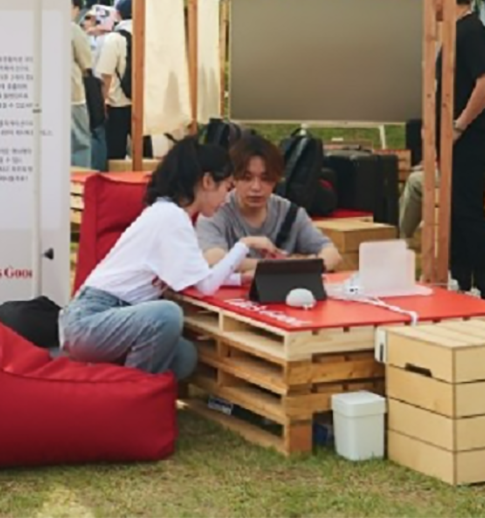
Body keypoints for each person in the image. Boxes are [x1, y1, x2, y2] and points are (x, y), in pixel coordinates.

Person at [58, 140, 278, 380]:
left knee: (183, 356)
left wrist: (240, 279)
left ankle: (106, 382)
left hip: (111, 317)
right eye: (226, 187)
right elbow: (206, 286)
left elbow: (197, 277)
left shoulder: (170, 214)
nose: (226, 199)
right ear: (207, 181)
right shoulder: (170, 218)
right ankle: (131, 394)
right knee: (167, 314)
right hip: (90, 321)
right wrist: (244, 246)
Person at [433, 0, 485, 300]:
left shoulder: (470, 31)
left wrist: (459, 125)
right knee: (456, 210)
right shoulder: (458, 32)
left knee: (469, 210)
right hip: (454, 139)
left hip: (470, 138)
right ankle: (461, 278)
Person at [198, 134, 342, 272]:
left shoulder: (291, 213)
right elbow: (214, 260)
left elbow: (332, 254)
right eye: (247, 178)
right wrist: (283, 265)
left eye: (265, 179)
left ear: (277, 179)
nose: (256, 187)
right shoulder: (215, 211)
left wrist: (314, 266)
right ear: (233, 178)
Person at [95, 0, 135, 161]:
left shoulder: (115, 38)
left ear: (118, 14)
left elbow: (106, 75)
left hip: (118, 104)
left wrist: (102, 102)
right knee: (144, 153)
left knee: (115, 155)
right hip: (144, 104)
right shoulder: (150, 36)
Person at [69, 0, 96, 169]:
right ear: (75, 8)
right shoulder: (73, 29)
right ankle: (80, 184)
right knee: (80, 143)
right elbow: (87, 63)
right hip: (73, 95)